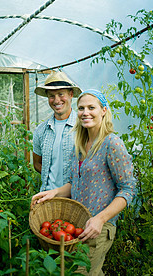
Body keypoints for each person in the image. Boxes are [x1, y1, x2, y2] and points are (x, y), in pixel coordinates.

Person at [32, 89, 137, 276]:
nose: (85, 112)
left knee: (81, 272)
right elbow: (75, 184)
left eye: (91, 107)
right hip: (80, 224)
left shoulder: (111, 143)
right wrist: (53, 193)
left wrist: (100, 219)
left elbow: (128, 189)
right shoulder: (80, 144)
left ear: (104, 110)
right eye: (81, 108)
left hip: (99, 227)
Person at [32, 70, 82, 192]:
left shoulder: (83, 127)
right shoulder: (41, 130)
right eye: (51, 96)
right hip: (48, 196)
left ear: (71, 94)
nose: (56, 100)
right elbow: (37, 163)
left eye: (61, 94)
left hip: (76, 196)